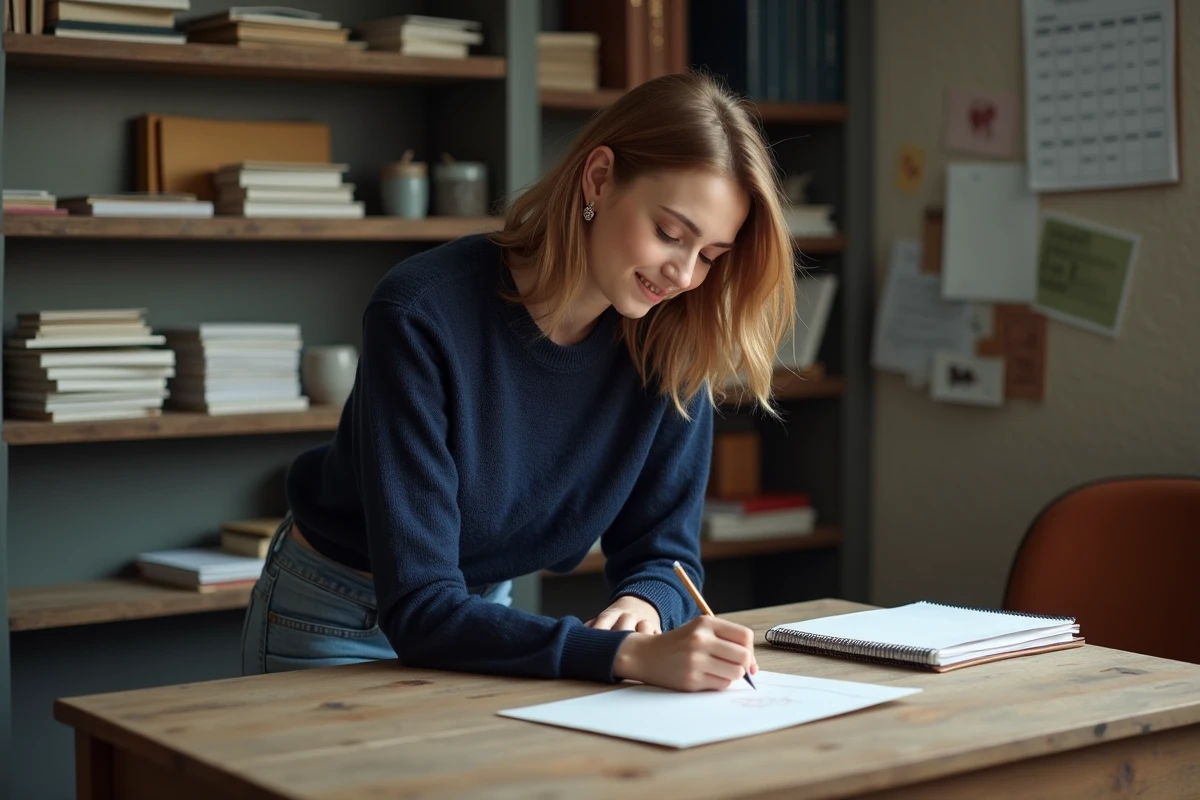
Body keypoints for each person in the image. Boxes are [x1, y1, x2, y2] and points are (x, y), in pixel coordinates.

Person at [240, 70, 797, 692]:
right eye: (670, 233)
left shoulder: (676, 338)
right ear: (599, 178)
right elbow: (420, 606)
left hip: (480, 620)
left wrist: (645, 605)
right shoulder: (422, 313)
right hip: (335, 617)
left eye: (712, 256)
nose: (685, 275)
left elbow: (663, 553)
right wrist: (625, 658)